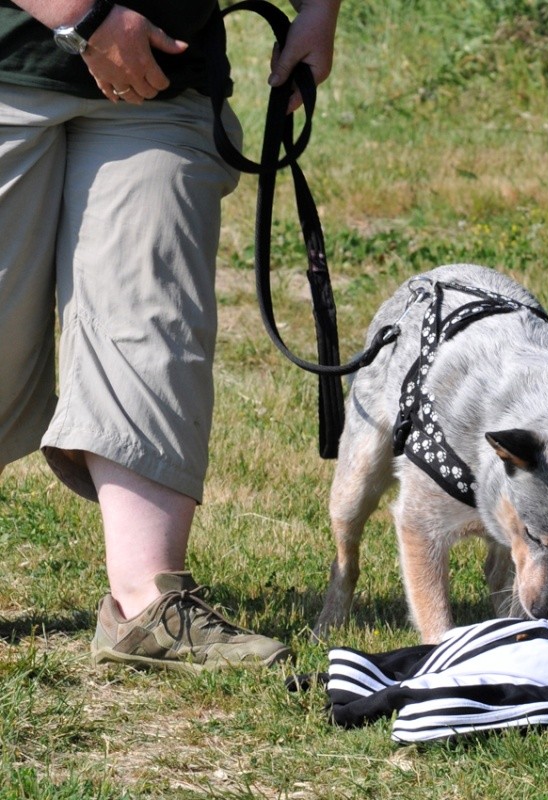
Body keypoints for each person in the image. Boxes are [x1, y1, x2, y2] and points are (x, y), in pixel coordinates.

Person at [0, 0, 341, 673]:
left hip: (167, 78)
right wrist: (87, 19)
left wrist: (319, 9)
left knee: (152, 320)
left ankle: (146, 604)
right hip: (11, 61)